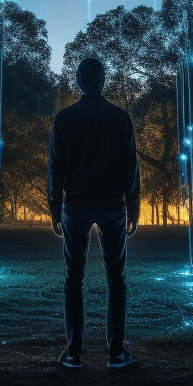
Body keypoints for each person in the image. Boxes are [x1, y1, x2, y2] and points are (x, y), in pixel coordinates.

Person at [48, 56, 140, 369]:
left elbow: (55, 167)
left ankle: (73, 352)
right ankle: (116, 353)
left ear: (78, 81)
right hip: (113, 206)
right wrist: (134, 207)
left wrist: (53, 208)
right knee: (117, 279)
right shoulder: (120, 117)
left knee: (74, 278)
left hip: (75, 205)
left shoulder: (64, 117)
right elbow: (130, 167)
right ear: (102, 80)